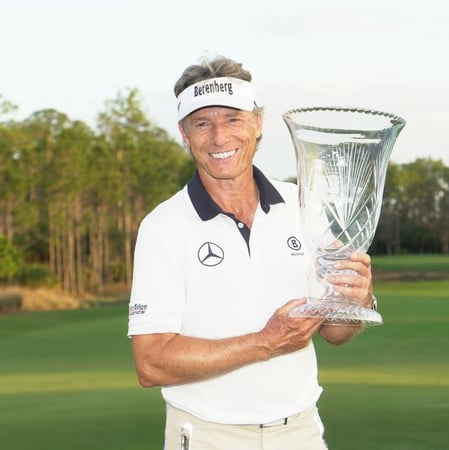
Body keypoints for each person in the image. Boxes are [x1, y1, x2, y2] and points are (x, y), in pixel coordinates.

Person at [127, 54, 377, 450]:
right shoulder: (163, 227)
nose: (219, 138)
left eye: (232, 119)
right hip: (209, 435)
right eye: (202, 123)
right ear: (184, 133)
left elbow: (335, 332)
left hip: (301, 432)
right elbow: (151, 363)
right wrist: (265, 341)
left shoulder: (301, 203)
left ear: (257, 123)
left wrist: (355, 300)